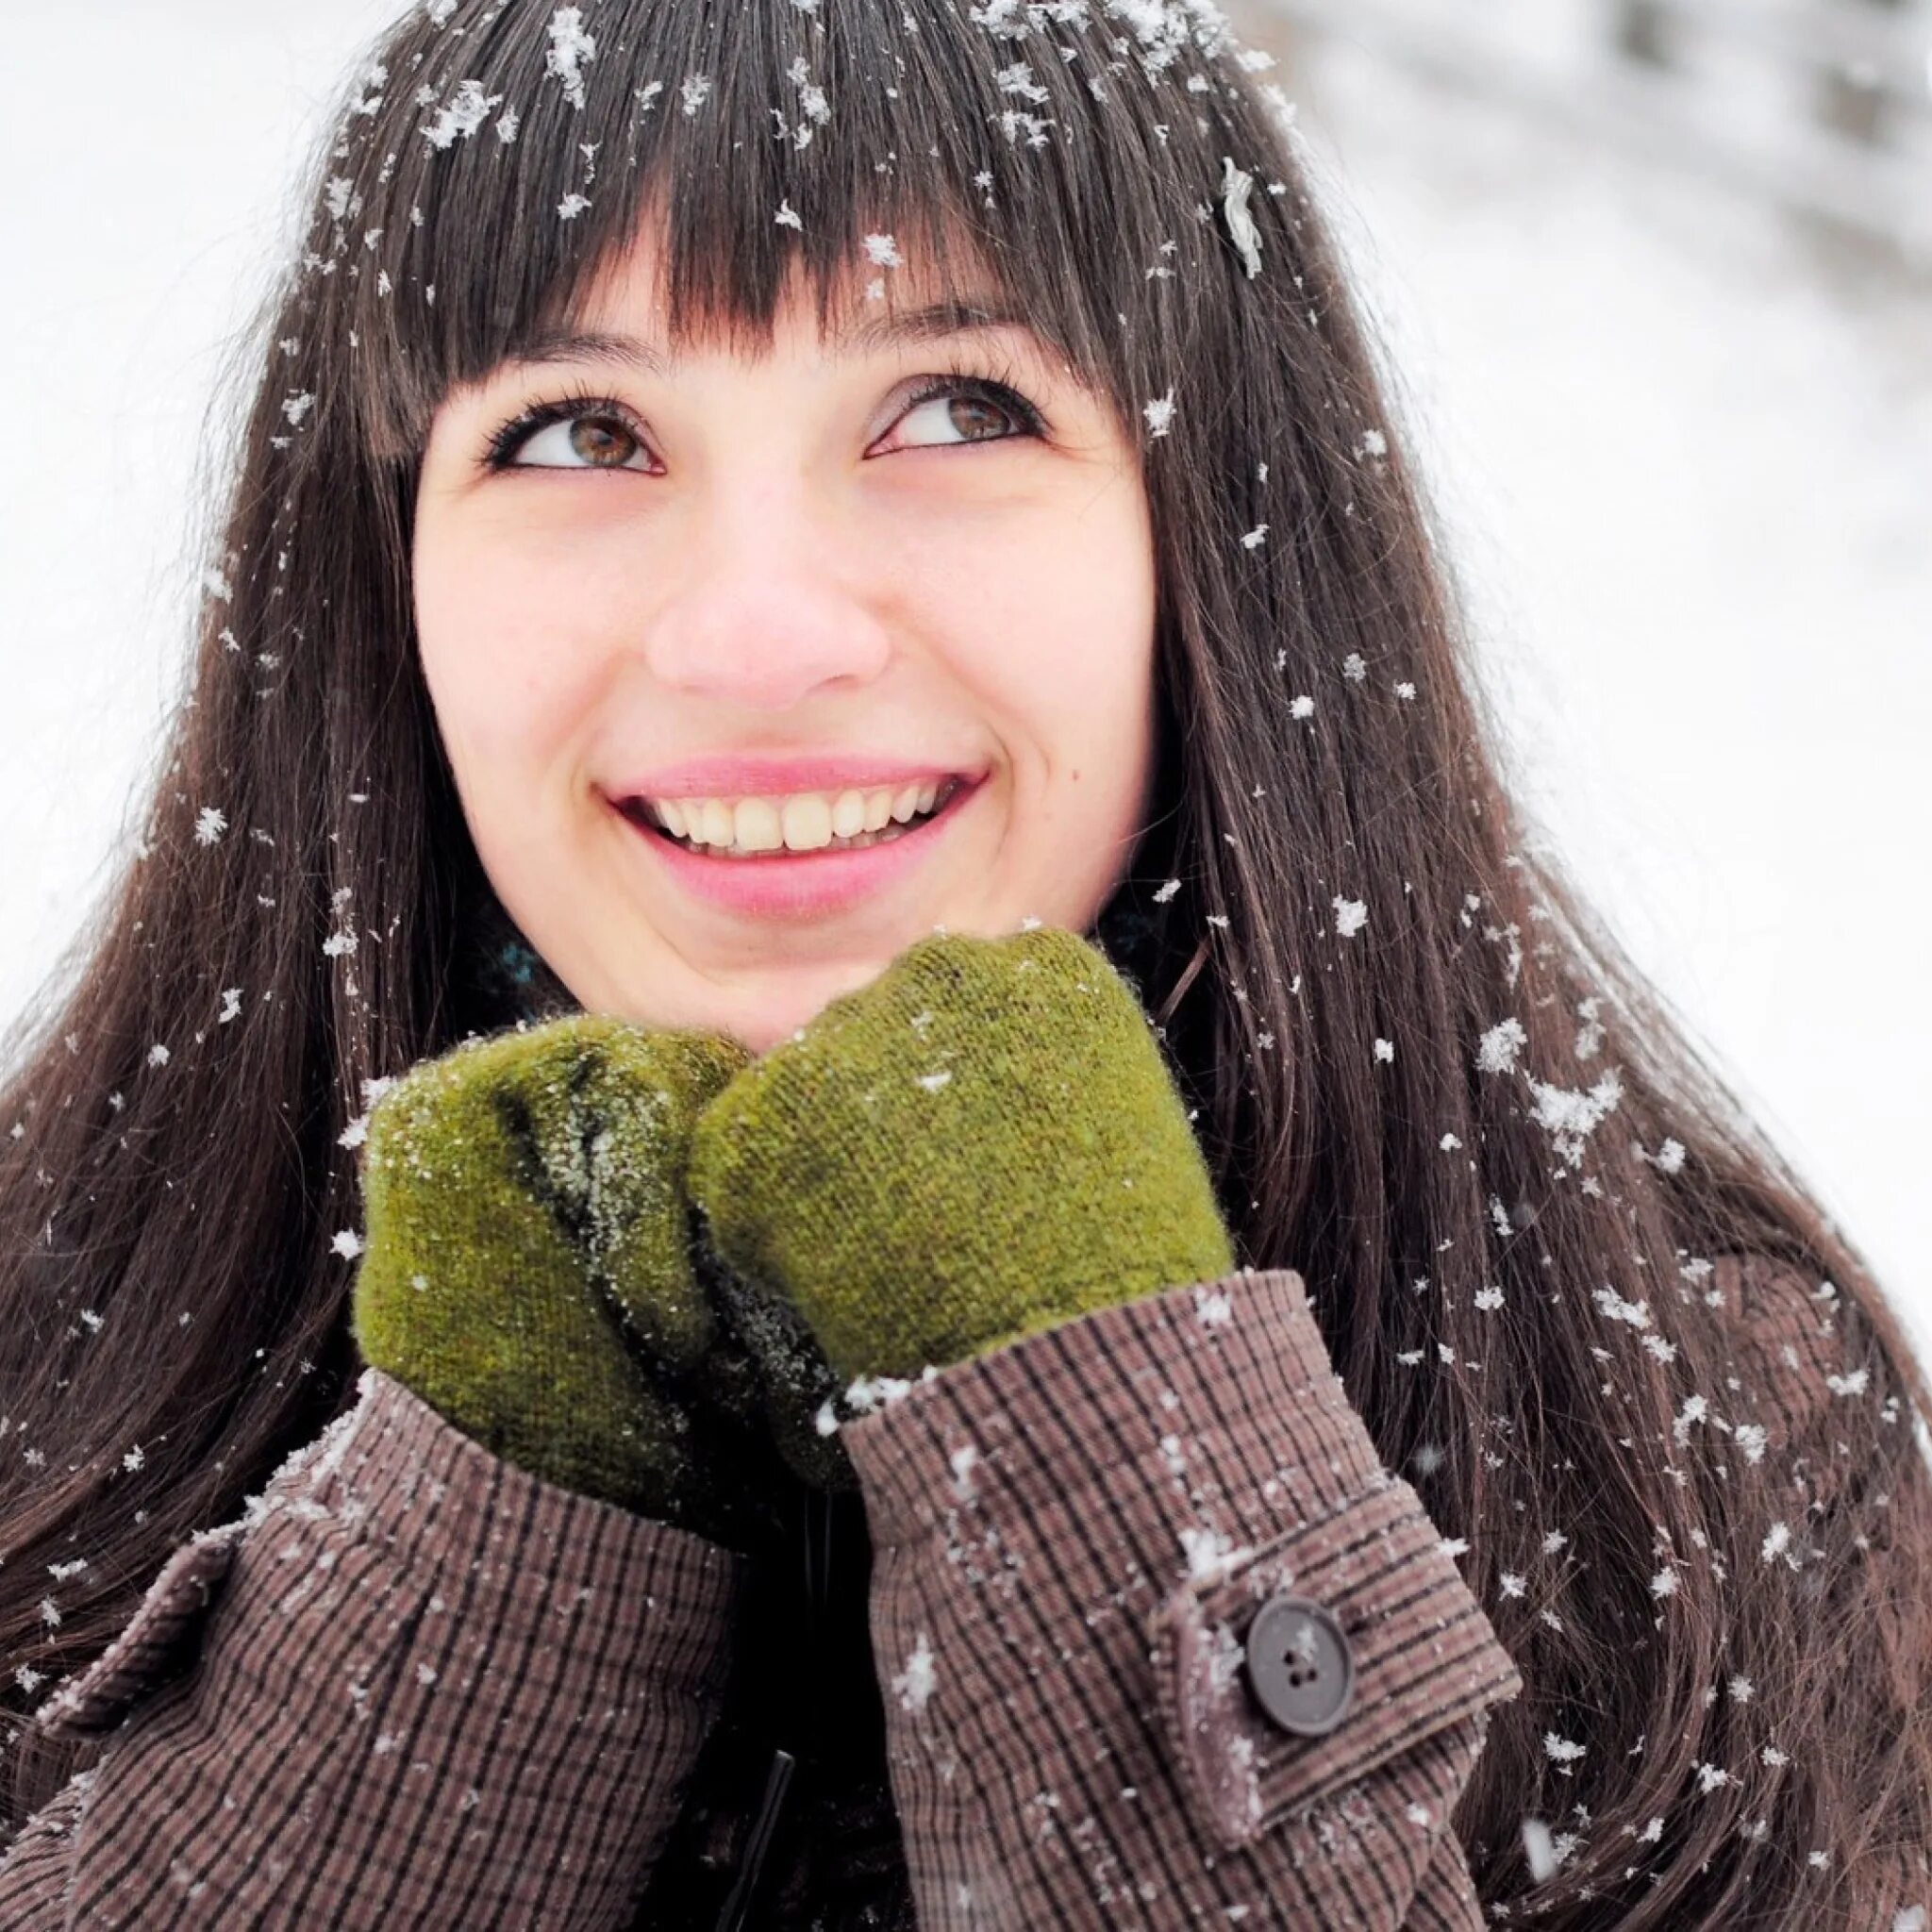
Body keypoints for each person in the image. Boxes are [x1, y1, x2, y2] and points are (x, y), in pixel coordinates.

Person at [0, 0, 1925, 1924]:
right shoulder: (44, 1364)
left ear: (1222, 539)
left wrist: (1109, 1452)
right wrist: (467, 1575)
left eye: (954, 410)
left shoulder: (1713, 1446)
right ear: (375, 575)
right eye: (581, 432)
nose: (757, 636)